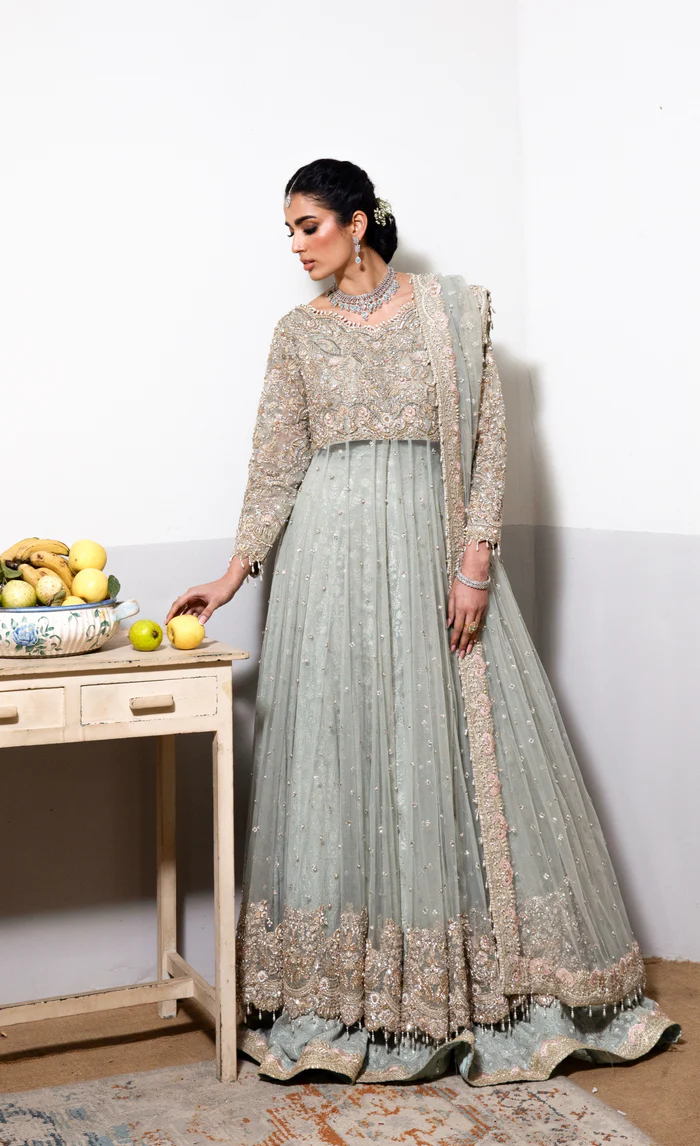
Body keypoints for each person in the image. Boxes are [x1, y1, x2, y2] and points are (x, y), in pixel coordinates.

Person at [166, 158, 681, 1085]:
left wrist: (475, 561)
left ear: (358, 222)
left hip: (431, 552)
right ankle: (352, 995)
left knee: (441, 751)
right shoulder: (297, 335)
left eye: (309, 226)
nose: (296, 247)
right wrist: (234, 573)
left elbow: (489, 443)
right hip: (326, 567)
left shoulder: (451, 312)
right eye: (289, 232)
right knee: (345, 754)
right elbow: (276, 461)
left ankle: (473, 989)